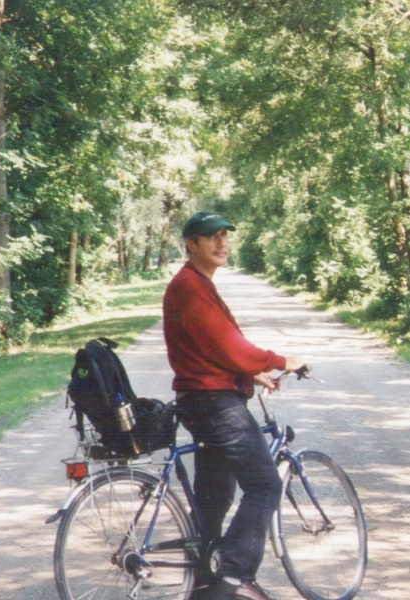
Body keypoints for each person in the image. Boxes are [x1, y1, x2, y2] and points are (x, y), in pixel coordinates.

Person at [163, 210, 306, 600]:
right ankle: (233, 579)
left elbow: (208, 349)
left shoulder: (196, 284)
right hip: (215, 405)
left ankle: (203, 586)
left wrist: (251, 374)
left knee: (215, 498)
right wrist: (279, 361)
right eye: (212, 237)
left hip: (203, 400)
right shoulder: (190, 287)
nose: (221, 242)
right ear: (191, 244)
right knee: (264, 485)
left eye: (225, 235)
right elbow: (230, 346)